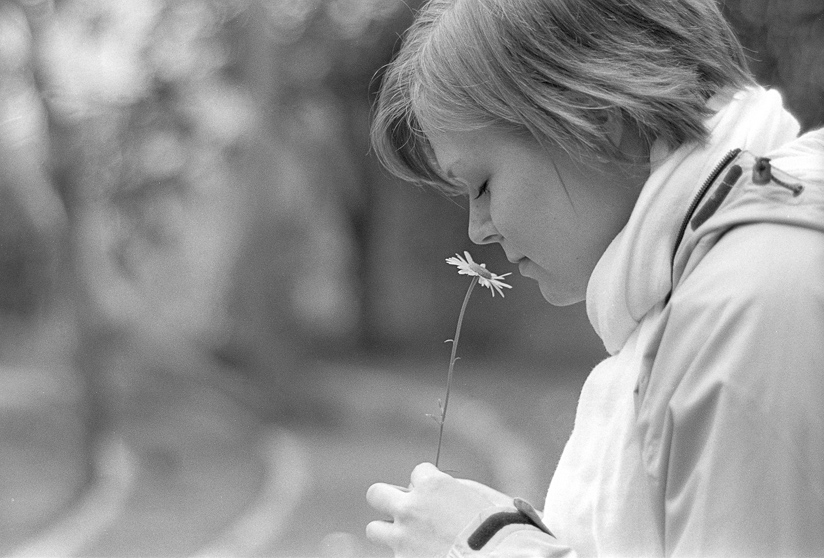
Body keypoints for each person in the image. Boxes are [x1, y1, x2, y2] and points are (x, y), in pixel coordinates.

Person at [365, 0, 824, 556]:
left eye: (482, 184)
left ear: (604, 122)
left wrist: (486, 544)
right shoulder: (723, 278)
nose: (477, 230)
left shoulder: (751, 304)